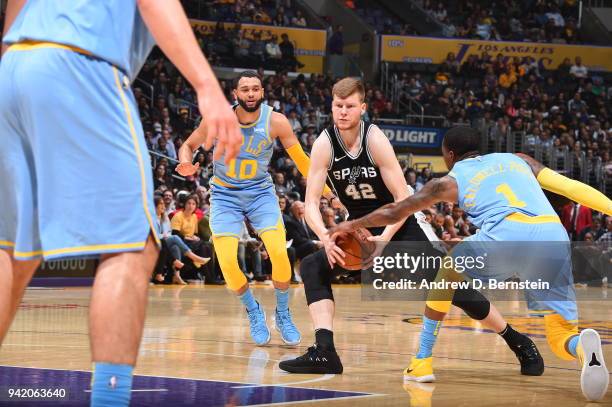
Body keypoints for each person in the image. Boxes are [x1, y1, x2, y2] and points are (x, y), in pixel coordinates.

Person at [0, 1, 241, 406]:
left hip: (14, 68)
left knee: (12, 250)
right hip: (81, 63)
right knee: (132, 244)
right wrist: (208, 88)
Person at [279, 78, 542, 376]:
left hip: (401, 223)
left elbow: (403, 198)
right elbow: (311, 202)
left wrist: (384, 240)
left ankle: (516, 340)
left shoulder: (374, 139)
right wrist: (327, 239)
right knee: (315, 266)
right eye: (337, 106)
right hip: (361, 228)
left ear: (362, 108)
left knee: (450, 287)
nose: (342, 112)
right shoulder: (324, 144)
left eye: (349, 106)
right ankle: (325, 351)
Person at [330, 126, 611, 401]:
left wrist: (353, 223)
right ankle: (583, 349)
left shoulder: (448, 182)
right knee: (560, 334)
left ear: (449, 155)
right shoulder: (519, 159)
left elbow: (395, 211)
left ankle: (422, 360)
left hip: (506, 235)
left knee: (446, 272)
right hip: (552, 235)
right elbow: (573, 188)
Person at [177, 71, 334, 346]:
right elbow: (188, 145)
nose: (250, 93)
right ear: (235, 94)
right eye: (245, 89)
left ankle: (283, 312)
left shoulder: (276, 121)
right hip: (225, 195)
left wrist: (331, 195)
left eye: (255, 89)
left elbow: (302, 162)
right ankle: (253, 310)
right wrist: (186, 163)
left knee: (278, 252)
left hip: (260, 193)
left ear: (262, 92)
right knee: (226, 261)